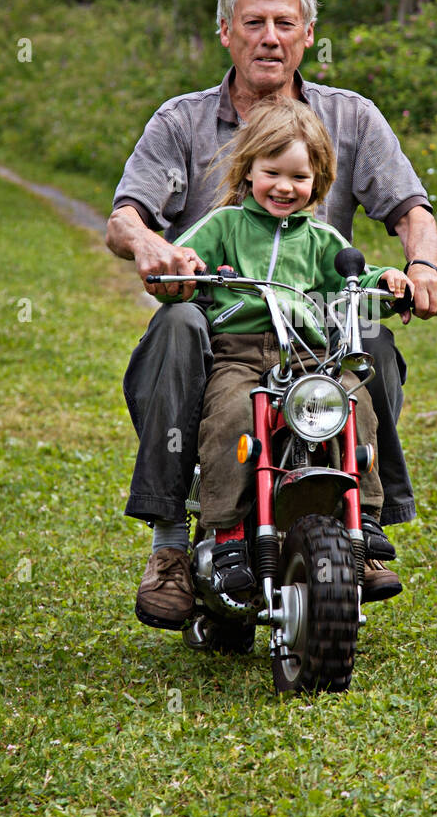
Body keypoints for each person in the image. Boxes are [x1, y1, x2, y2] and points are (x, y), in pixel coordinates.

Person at [106, 0, 437, 629]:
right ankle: (172, 545)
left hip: (316, 331)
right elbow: (126, 218)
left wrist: (421, 269)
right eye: (254, 22)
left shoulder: (350, 117)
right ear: (226, 32)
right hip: (222, 328)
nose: (269, 38)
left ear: (308, 35)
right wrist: (154, 249)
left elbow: (411, 211)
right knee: (176, 330)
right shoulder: (182, 122)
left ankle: (366, 531)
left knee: (373, 345)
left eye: (284, 23)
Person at [133, 94, 413, 627]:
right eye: (272, 172)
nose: (286, 187)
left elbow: (354, 280)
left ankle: (366, 521)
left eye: (300, 178)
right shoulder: (223, 227)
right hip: (239, 354)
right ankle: (227, 532)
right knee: (233, 416)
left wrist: (388, 282)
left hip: (308, 359)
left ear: (320, 182)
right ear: (247, 171)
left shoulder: (323, 239)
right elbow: (177, 270)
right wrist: (180, 269)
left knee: (354, 401)